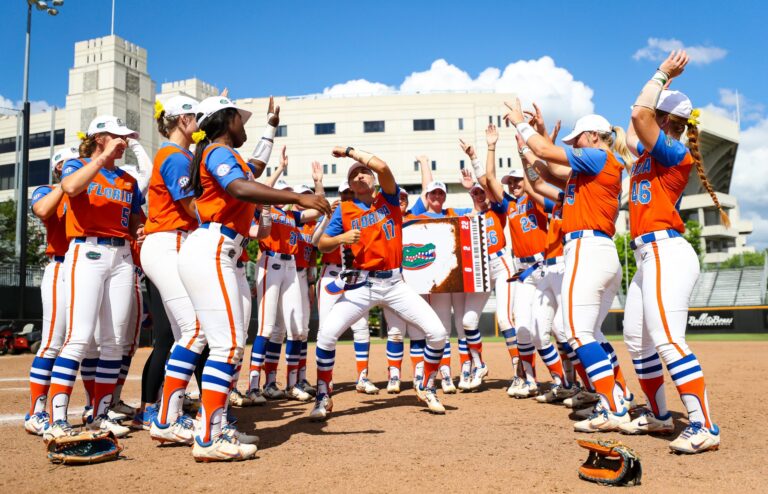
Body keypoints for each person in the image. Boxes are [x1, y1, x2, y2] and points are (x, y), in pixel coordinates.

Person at [178, 95, 329, 461]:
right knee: (228, 345)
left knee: (224, 344)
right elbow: (241, 187)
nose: (243, 125)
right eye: (240, 119)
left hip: (220, 249)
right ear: (226, 120)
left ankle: (212, 427)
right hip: (214, 247)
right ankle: (208, 437)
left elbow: (253, 169)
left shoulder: (220, 153)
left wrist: (271, 127)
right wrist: (295, 196)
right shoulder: (216, 151)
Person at [504, 98, 635, 433]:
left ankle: (612, 406)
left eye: (577, 139)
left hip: (587, 250)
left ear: (593, 136)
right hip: (596, 251)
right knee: (587, 331)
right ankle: (620, 393)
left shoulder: (598, 156)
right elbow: (543, 175)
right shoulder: (588, 172)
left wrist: (521, 123)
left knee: (575, 331)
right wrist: (528, 141)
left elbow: (548, 157)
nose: (574, 145)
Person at [620, 50, 721, 453]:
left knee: (668, 340)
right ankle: (660, 417)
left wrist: (661, 74)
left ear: (666, 122)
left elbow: (639, 116)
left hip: (666, 252)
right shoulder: (647, 153)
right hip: (648, 257)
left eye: (659, 116)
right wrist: (660, 88)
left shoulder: (672, 153)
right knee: (637, 339)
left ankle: (704, 426)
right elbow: (637, 116)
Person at [310, 145, 449, 420]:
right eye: (355, 175)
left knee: (438, 333)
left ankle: (425, 385)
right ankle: (323, 396)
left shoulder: (389, 198)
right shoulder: (345, 210)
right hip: (363, 284)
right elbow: (322, 244)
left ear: (372, 179)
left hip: (395, 283)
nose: (361, 176)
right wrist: (340, 239)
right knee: (325, 336)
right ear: (349, 184)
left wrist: (351, 153)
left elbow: (383, 168)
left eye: (365, 172)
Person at [44, 116, 145, 441]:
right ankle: (57, 418)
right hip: (86, 251)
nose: (124, 142)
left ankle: (99, 415)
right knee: (79, 336)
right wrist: (100, 158)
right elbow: (70, 188)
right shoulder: (77, 164)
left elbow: (134, 222)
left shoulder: (128, 181)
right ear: (100, 137)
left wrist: (141, 230)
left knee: (113, 341)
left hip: (121, 256)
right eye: (118, 136)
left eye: (125, 137)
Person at [247, 151, 324, 403]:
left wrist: (318, 183)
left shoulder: (292, 216)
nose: (283, 194)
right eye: (282, 190)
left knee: (296, 329)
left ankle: (290, 384)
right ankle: (254, 386)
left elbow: (319, 208)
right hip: (270, 261)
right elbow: (258, 191)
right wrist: (278, 170)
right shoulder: (264, 210)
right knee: (266, 327)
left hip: (291, 265)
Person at [24, 146, 79, 435]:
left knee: (83, 341)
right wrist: (65, 184)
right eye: (66, 164)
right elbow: (41, 210)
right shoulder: (48, 189)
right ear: (58, 168)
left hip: (85, 266)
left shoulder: (87, 187)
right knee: (53, 341)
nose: (71, 167)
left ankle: (99, 408)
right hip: (59, 265)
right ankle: (36, 413)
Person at [459, 136, 517, 392]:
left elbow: (486, 181)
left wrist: (474, 158)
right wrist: (470, 189)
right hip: (480, 269)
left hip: (501, 262)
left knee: (505, 320)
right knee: (468, 321)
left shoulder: (497, 209)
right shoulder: (468, 217)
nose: (480, 194)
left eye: (483, 192)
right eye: (475, 192)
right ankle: (478, 364)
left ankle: (520, 371)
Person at [315, 181, 376, 394]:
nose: (348, 195)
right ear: (340, 194)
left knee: (361, 327)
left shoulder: (362, 214)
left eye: (351, 192)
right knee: (325, 328)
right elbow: (316, 242)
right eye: (345, 193)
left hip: (355, 275)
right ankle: (325, 381)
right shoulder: (334, 214)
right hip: (331, 273)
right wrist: (327, 217)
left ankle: (362, 377)